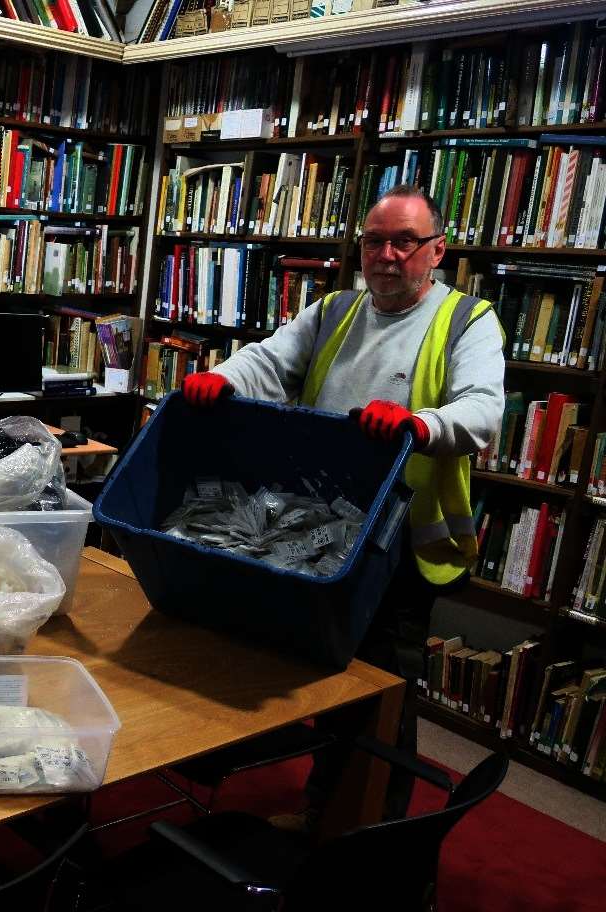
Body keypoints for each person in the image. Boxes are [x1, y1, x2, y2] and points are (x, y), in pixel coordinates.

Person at [182, 185, 506, 827]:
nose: (386, 255)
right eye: (373, 241)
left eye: (404, 242)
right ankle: (323, 807)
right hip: (324, 529)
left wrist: (420, 423)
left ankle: (372, 835)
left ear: (436, 250)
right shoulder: (333, 310)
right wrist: (223, 377)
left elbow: (483, 409)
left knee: (381, 688)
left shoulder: (468, 319)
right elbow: (269, 361)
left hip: (405, 543)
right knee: (332, 676)